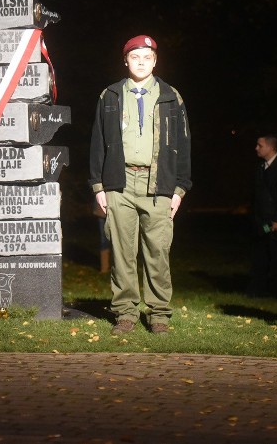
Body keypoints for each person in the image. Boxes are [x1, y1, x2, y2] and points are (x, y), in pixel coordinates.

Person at [89, 34, 192, 335]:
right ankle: (125, 313)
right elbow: (98, 142)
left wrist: (180, 188)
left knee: (157, 252)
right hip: (119, 183)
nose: (141, 62)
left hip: (159, 183)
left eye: (147, 57)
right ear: (126, 60)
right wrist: (98, 186)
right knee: (122, 253)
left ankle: (159, 314)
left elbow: (184, 145)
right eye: (135, 57)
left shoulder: (171, 96)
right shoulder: (110, 95)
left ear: (155, 61)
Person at [247, 135, 277, 298]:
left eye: (260, 145)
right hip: (262, 221)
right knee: (260, 256)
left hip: (275, 222)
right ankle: (258, 289)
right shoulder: (261, 167)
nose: (256, 148)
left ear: (270, 147)